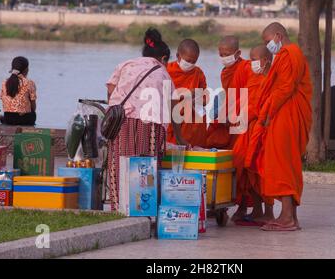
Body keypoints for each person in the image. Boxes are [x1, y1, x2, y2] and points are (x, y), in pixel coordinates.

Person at [106, 28, 188, 212]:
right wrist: (180, 137)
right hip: (149, 124)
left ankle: (118, 207)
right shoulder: (163, 72)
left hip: (120, 122)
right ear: (164, 58)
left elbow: (111, 89)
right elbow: (174, 107)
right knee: (146, 165)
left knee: (119, 163)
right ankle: (143, 209)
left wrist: (117, 108)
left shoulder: (126, 64)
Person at [246, 22, 313, 231]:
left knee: (282, 162)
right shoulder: (292, 54)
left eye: (268, 42)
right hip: (289, 114)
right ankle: (290, 216)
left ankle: (287, 218)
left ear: (277, 36)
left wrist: (267, 113)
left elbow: (284, 88)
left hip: (286, 114)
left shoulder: (288, 54)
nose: (267, 46)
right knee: (288, 162)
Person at [232, 45, 275, 225]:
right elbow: (244, 100)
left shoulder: (273, 79)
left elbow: (262, 105)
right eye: (250, 59)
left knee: (263, 172)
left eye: (254, 60)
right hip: (249, 130)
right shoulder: (252, 77)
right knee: (248, 170)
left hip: (265, 131)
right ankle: (257, 210)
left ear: (265, 61)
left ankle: (269, 212)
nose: (251, 64)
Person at [206, 35, 252, 149]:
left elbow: (251, 93)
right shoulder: (225, 72)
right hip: (229, 115)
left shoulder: (247, 68)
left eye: (227, 55)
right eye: (221, 55)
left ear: (238, 53)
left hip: (244, 115)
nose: (223, 58)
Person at [166, 39, 208, 148]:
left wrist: (197, 100)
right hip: (173, 121)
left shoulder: (198, 73)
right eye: (188, 61)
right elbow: (163, 97)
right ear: (178, 56)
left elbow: (205, 99)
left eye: (194, 62)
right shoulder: (167, 71)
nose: (190, 64)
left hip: (193, 123)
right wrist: (186, 95)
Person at [0, 56, 37, 126]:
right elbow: (33, 107)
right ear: (26, 69)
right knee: (32, 112)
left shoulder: (4, 82)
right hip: (25, 119)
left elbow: (3, 100)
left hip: (8, 118)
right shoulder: (29, 83)